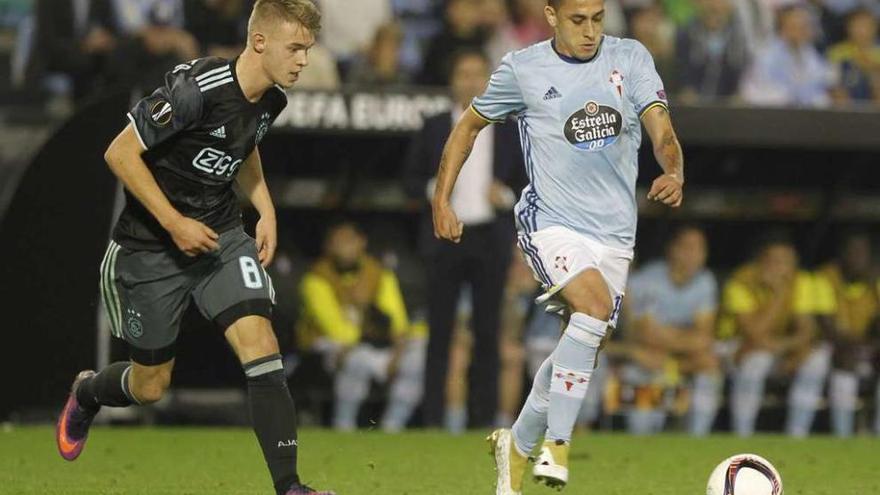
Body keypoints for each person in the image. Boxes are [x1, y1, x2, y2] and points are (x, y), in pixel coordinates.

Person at [54, 1, 334, 494]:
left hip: (221, 237)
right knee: (151, 386)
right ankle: (87, 392)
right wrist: (174, 222)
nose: (303, 61)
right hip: (149, 247)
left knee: (262, 347)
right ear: (260, 42)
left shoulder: (272, 99)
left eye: (307, 50)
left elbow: (243, 147)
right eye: (295, 48)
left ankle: (290, 488)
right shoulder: (195, 90)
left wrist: (265, 208)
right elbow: (118, 153)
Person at [431, 0, 685, 491]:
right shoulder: (522, 70)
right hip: (551, 222)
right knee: (592, 306)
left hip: (615, 233)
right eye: (577, 20)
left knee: (584, 342)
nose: (589, 31)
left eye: (597, 18)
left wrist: (673, 170)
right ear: (550, 15)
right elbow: (467, 126)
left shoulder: (631, 58)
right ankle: (559, 445)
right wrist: (442, 200)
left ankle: (518, 446)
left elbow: (663, 132)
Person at [404, 49, 526, 429]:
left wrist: (504, 195)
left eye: (478, 74)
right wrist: (436, 192)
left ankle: (483, 421)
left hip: (490, 237)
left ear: (488, 81)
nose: (471, 81)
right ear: (453, 80)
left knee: (488, 332)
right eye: (464, 73)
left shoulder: (508, 128)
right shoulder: (434, 126)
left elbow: (529, 182)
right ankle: (434, 420)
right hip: (445, 236)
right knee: (439, 332)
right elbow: (408, 180)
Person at [295, 221, 425, 432]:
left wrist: (398, 351)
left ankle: (393, 427)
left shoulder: (377, 273)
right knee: (356, 358)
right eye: (338, 242)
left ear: (361, 243)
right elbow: (336, 330)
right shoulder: (317, 278)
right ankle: (343, 425)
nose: (344, 247)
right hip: (326, 348)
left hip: (374, 345)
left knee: (417, 357)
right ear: (329, 247)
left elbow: (397, 321)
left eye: (349, 241)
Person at [720, 233, 829, 437]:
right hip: (734, 347)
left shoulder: (801, 281)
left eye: (786, 262)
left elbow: (807, 331)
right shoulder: (741, 281)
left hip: (776, 347)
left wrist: (788, 349)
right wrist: (779, 295)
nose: (780, 268)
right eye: (774, 261)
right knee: (756, 360)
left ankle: (797, 435)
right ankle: (742, 434)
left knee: (817, 359)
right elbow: (754, 334)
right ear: (760, 262)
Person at [624, 225, 720, 436]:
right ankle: (641, 441)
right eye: (687, 247)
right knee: (642, 426)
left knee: (709, 365)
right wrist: (684, 337)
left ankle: (698, 440)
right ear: (672, 249)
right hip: (642, 361)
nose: (693, 255)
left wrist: (668, 342)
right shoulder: (648, 279)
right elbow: (646, 334)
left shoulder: (705, 281)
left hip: (676, 361)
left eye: (699, 249)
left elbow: (704, 338)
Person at [814, 232, 879, 436]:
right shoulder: (825, 277)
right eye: (851, 252)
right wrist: (858, 346)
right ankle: (841, 435)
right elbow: (828, 328)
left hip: (869, 347)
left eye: (862, 253)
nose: (856, 258)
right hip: (833, 346)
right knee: (840, 363)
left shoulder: (876, 279)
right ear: (841, 255)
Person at [740, 4, 835, 107]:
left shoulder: (808, 52)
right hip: (773, 112)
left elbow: (820, 85)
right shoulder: (767, 55)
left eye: (805, 26)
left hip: (803, 113)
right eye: (795, 27)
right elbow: (756, 93)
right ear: (783, 29)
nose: (802, 32)